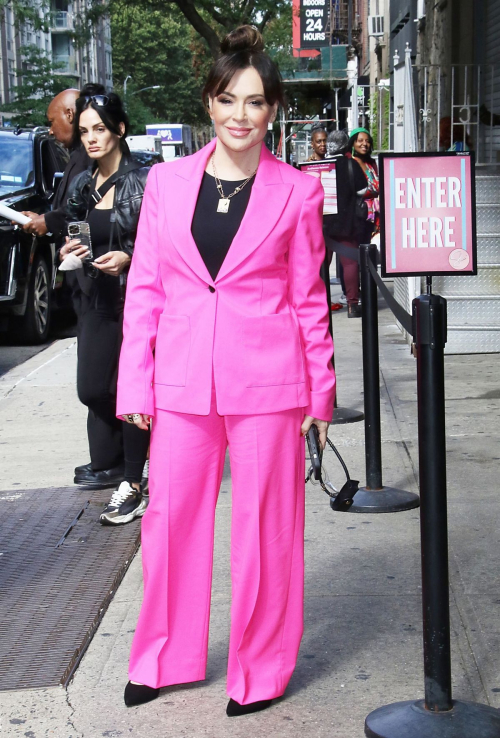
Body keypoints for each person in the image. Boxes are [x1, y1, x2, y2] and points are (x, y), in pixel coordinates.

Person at [116, 25, 336, 715]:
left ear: (272, 110)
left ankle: (262, 669)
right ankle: (164, 657)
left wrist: (320, 396)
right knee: (171, 524)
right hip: (180, 382)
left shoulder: (296, 192)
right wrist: (135, 380)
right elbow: (145, 287)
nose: (240, 115)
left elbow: (308, 298)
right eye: (227, 99)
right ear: (208, 103)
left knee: (267, 531)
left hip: (270, 384)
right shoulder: (165, 183)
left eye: (255, 102)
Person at [60, 88, 151, 524]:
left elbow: (162, 244)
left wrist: (129, 257)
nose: (90, 139)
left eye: (98, 129)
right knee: (92, 387)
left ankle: (131, 472)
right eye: (83, 132)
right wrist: (72, 249)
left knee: (131, 388)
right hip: (96, 295)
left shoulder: (146, 180)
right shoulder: (82, 183)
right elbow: (77, 228)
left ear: (120, 129)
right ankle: (120, 460)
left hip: (135, 298)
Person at [324, 130, 368, 318]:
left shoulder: (320, 167)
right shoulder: (351, 165)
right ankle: (352, 305)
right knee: (350, 263)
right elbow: (363, 190)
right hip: (347, 223)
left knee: (321, 264)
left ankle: (321, 304)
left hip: (322, 222)